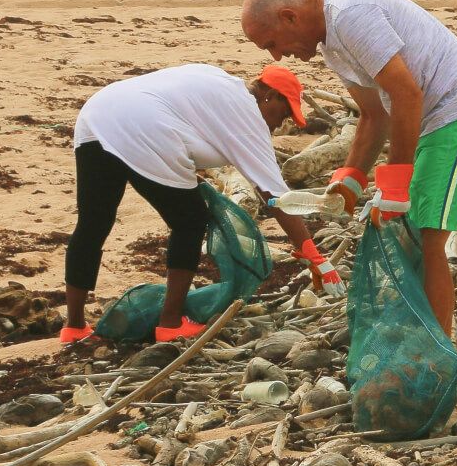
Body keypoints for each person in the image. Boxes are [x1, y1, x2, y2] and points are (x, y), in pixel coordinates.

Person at [240, 0, 457, 336]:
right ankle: (420, 338)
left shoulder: (350, 16)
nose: (276, 57)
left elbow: (407, 96)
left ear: (289, 17)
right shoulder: (332, 43)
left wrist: (394, 187)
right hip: (432, 126)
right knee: (408, 235)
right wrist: (351, 179)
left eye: (272, 44)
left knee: (429, 237)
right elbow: (373, 114)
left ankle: (437, 353)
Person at [59, 64, 344, 344]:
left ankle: (73, 327)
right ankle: (170, 324)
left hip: (98, 114)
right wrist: (315, 257)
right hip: (146, 127)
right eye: (284, 113)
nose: (280, 124)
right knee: (191, 221)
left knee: (93, 222)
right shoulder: (248, 115)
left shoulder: (217, 79)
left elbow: (184, 119)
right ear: (270, 95)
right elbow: (276, 198)